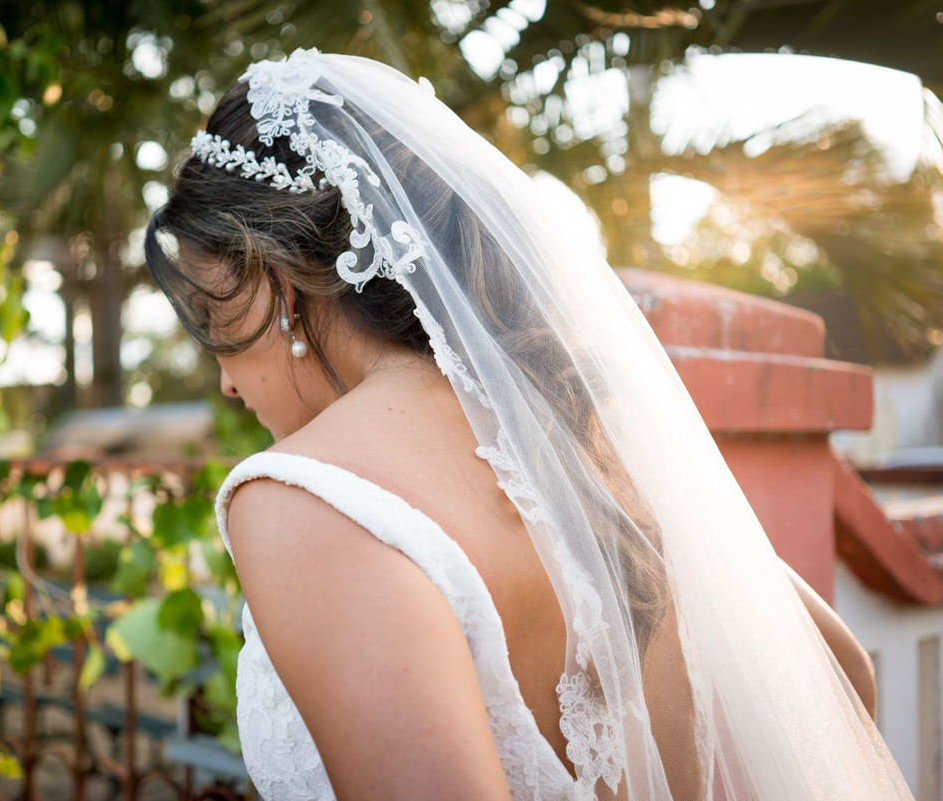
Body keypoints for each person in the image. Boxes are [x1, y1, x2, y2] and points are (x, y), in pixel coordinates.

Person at [143, 48, 912, 801]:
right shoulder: (585, 447)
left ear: (276, 280)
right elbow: (843, 670)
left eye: (214, 317)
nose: (226, 380)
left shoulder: (310, 496)